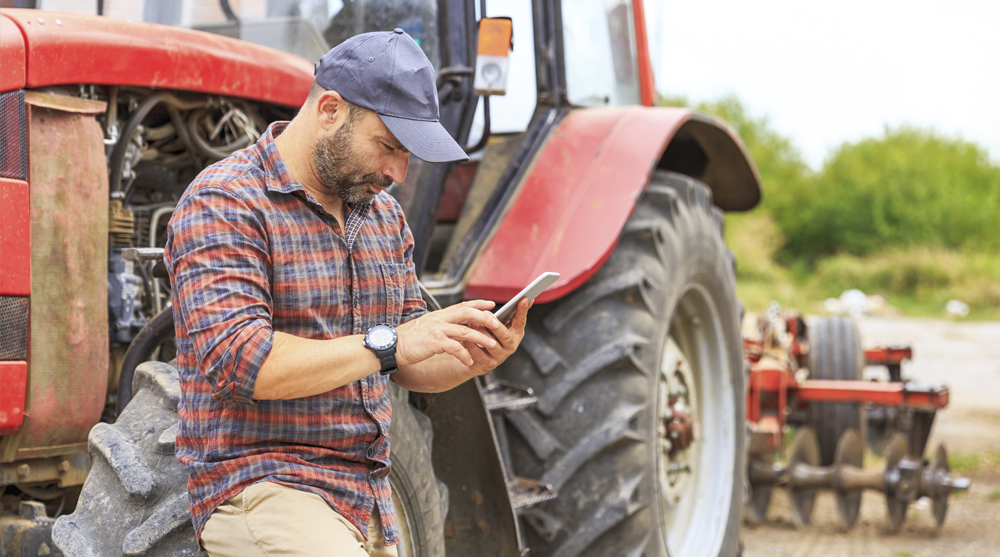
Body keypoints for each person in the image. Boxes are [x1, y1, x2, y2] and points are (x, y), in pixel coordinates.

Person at [164, 29, 530, 557]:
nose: (398, 172)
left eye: (408, 155)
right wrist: (394, 342)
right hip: (263, 484)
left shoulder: (384, 218)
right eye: (389, 146)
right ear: (330, 110)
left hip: (369, 497)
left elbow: (408, 365)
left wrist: (472, 357)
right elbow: (245, 364)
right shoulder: (225, 200)